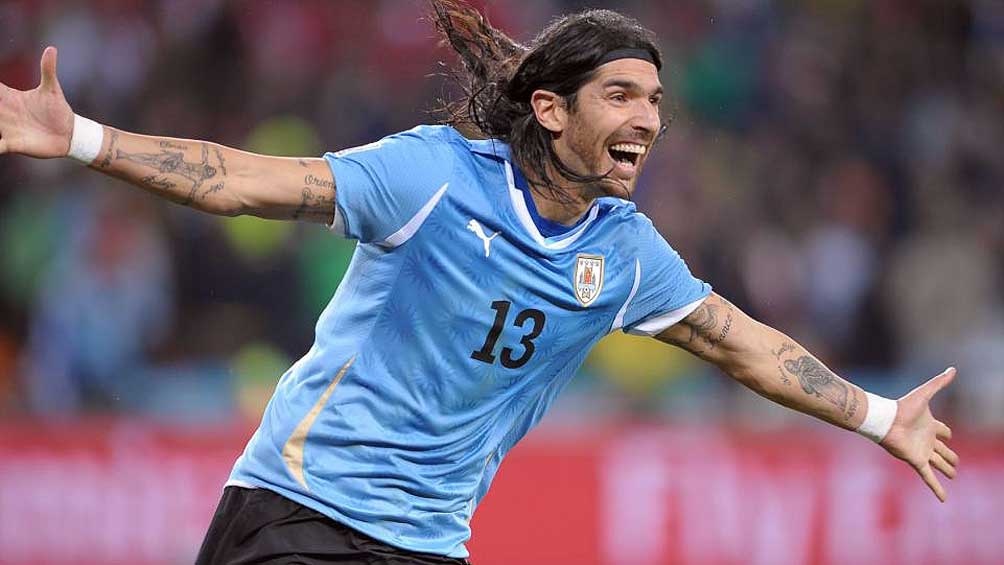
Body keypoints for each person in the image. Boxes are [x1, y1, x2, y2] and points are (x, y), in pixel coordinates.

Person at [0, 1, 958, 563]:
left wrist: (882, 417)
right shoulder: (432, 177)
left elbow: (741, 343)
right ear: (550, 108)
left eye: (656, 101)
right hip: (299, 512)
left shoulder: (626, 254)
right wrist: (80, 137)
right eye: (621, 95)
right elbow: (248, 182)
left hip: (428, 543)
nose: (648, 119)